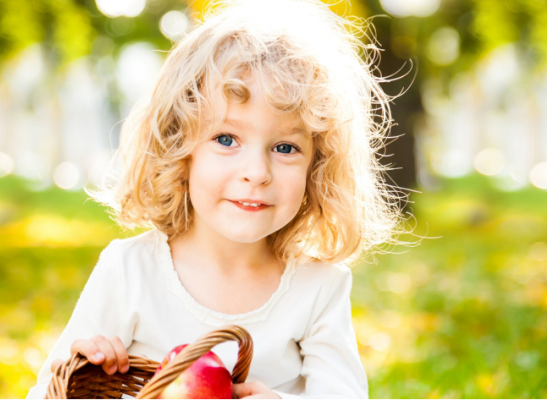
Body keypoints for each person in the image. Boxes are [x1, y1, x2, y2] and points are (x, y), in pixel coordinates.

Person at [27, 0, 413, 398]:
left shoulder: (318, 286)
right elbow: (45, 391)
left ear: (317, 168)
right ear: (180, 151)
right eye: (226, 139)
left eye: (285, 147)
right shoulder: (130, 270)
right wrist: (84, 373)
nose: (258, 172)